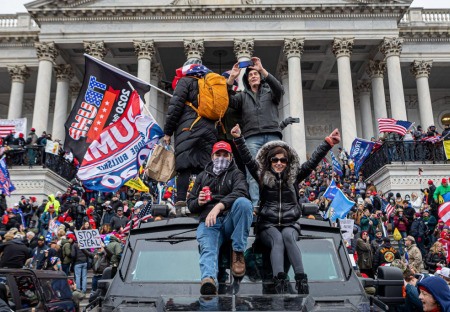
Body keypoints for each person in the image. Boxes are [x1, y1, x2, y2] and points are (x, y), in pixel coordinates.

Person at [231, 123, 340, 294]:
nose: (279, 163)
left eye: (283, 160)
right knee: (278, 239)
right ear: (269, 161)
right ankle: (279, 280)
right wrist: (239, 139)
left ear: (288, 162)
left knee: (288, 236)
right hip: (268, 225)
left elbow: (312, 162)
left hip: (290, 223)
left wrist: (328, 142)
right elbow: (248, 160)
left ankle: (301, 281)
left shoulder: (294, 177)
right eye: (275, 160)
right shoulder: (263, 177)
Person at [187, 141, 252, 295]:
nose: (221, 157)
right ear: (212, 156)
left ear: (230, 157)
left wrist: (219, 206)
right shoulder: (202, 176)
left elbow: (242, 192)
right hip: (209, 222)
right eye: (218, 154)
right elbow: (191, 204)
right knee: (208, 249)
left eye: (225, 155)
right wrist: (199, 202)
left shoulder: (236, 174)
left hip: (230, 219)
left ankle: (238, 251)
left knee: (244, 204)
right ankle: (209, 280)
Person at [226, 57, 284, 206]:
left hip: (272, 134)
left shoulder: (271, 92)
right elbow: (227, 100)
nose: (253, 76)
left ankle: (275, 203)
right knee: (252, 173)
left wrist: (261, 69)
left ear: (260, 77)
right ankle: (256, 204)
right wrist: (232, 77)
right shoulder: (242, 96)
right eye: (250, 75)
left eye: (255, 74)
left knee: (276, 169)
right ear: (247, 80)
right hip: (252, 137)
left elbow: (279, 88)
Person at [163, 59, 218, 215]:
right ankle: (202, 200)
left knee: (184, 167)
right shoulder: (209, 82)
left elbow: (175, 107)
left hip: (188, 127)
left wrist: (168, 131)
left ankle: (181, 201)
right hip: (208, 128)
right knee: (204, 166)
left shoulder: (184, 81)